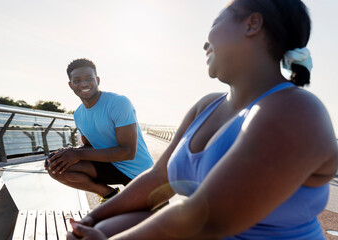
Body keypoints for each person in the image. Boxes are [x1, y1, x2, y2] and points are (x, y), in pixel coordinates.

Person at [67, 0, 338, 239]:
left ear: (252, 24)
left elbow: (209, 218)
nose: (205, 42)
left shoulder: (296, 111)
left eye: (216, 22)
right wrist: (93, 220)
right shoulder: (207, 105)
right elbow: (161, 178)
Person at [45, 58, 154, 202]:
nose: (83, 84)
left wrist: (77, 154)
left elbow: (128, 152)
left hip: (140, 172)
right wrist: (66, 154)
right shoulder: (78, 114)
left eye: (89, 79)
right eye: (77, 80)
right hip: (110, 165)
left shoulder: (118, 103)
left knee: (160, 222)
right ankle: (110, 196)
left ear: (97, 80)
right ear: (71, 85)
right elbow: (89, 147)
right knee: (56, 167)